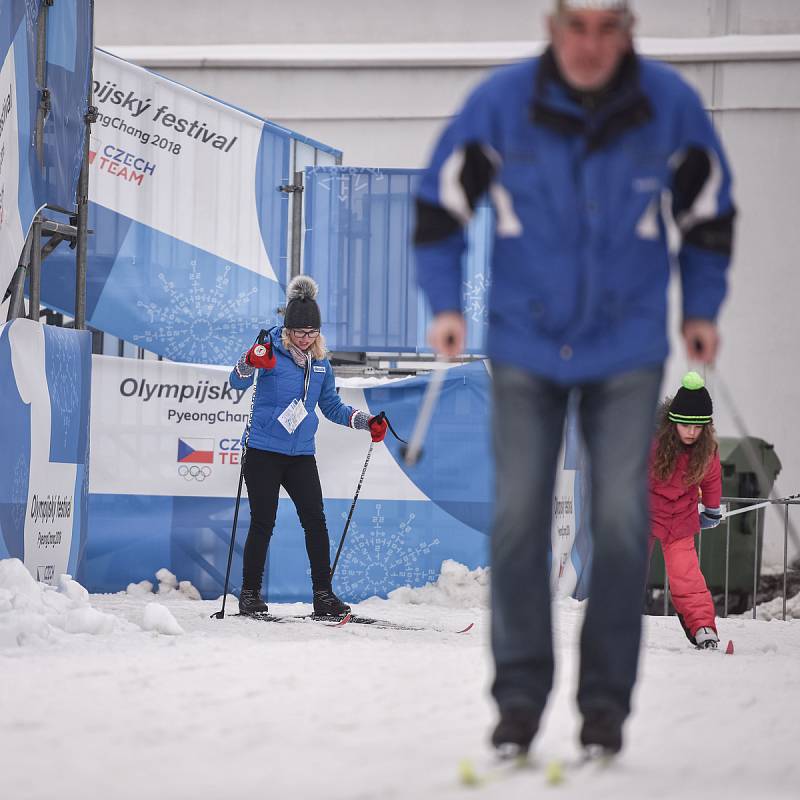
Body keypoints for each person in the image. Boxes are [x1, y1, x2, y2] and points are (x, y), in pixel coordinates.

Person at [413, 0, 735, 757]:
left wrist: (704, 303)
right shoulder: (502, 104)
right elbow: (439, 206)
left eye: (607, 26)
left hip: (626, 352)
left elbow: (709, 214)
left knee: (622, 524)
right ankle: (519, 703)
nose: (590, 44)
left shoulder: (668, 106)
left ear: (628, 29)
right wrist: (443, 304)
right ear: (553, 26)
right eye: (576, 25)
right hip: (527, 348)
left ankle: (604, 711)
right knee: (522, 518)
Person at [228, 275, 388, 617]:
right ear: (287, 330)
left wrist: (366, 421)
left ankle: (323, 596)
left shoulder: (320, 365)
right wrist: (249, 362)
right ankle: (250, 594)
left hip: (300, 454)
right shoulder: (268, 349)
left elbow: (332, 407)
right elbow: (235, 381)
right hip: (263, 451)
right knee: (263, 522)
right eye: (299, 333)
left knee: (315, 521)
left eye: (311, 332)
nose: (305, 338)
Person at [649, 372, 722, 649]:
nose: (691, 432)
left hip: (680, 518)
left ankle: (702, 625)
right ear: (673, 422)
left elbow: (712, 479)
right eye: (685, 425)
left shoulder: (707, 450)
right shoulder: (652, 444)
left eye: (698, 426)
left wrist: (712, 510)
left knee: (687, 575)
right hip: (644, 513)